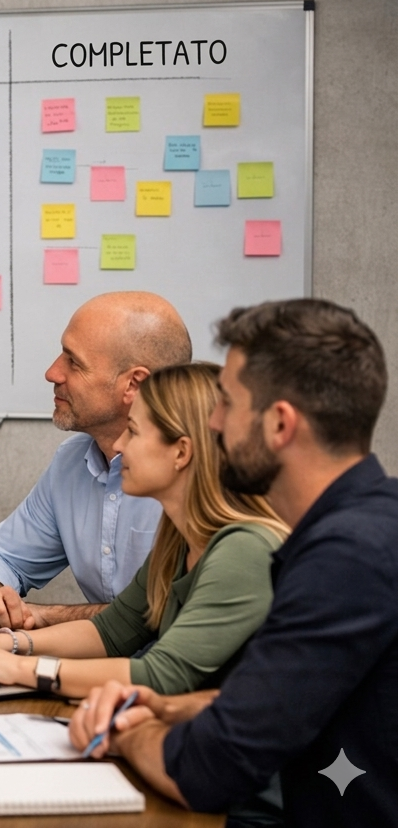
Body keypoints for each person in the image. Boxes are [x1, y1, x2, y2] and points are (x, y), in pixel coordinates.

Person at [70, 299, 398, 826]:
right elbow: (294, 702)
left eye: (227, 403)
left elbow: (208, 768)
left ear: (280, 425)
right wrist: (173, 708)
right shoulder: (363, 527)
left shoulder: (345, 560)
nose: (214, 424)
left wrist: (128, 731)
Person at [0, 362, 287, 698]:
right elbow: (111, 632)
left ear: (181, 452)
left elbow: (161, 674)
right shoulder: (178, 540)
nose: (121, 447)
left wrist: (16, 667)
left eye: (134, 432)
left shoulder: (243, 549)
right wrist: (4, 645)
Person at [0, 291, 192, 630]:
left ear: (135, 384)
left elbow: (173, 615)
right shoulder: (73, 461)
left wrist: (43, 616)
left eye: (73, 362)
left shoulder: (202, 474)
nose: (52, 373)